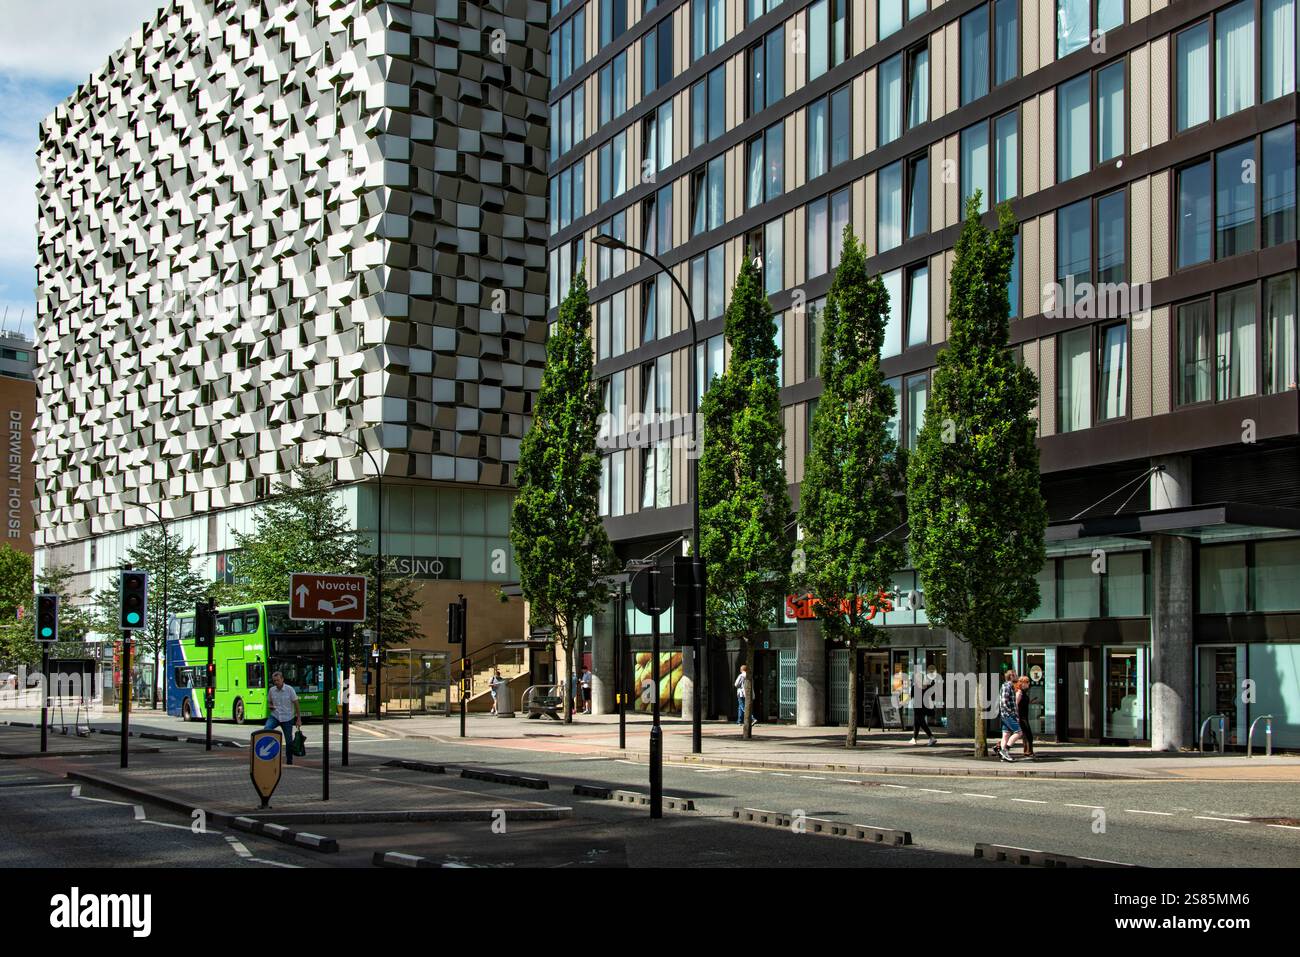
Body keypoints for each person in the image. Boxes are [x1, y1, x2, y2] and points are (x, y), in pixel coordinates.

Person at [264, 671, 301, 765]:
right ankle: (270, 751)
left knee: (289, 742)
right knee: (266, 729)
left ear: (282, 679)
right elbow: (269, 702)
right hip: (275, 716)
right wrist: (270, 706)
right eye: (274, 681)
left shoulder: (289, 689)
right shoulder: (272, 690)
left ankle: (289, 761)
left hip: (287, 718)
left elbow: (296, 703)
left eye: (278, 680)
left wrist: (298, 718)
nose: (276, 682)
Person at [992, 669, 1021, 762]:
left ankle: (1002, 757)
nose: (1017, 677)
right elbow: (1004, 702)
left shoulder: (1010, 686)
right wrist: (1012, 713)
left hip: (1006, 714)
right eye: (1015, 675)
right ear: (1011, 676)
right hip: (1008, 715)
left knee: (1006, 734)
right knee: (1019, 732)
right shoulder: (1007, 686)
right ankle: (1005, 751)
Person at [910, 668, 937, 746]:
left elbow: (911, 696)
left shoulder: (915, 687)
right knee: (917, 722)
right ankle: (914, 738)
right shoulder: (926, 686)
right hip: (925, 707)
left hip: (918, 707)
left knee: (921, 722)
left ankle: (931, 737)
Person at [1016, 675, 1035, 757]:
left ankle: (1028, 751)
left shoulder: (1023, 692)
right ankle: (1028, 751)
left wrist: (1030, 702)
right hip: (1021, 716)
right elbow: (1016, 704)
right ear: (1022, 683)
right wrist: (1016, 716)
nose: (1028, 684)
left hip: (1024, 716)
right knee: (1027, 734)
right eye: (1027, 682)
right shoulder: (1019, 692)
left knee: (1026, 734)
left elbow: (1022, 703)